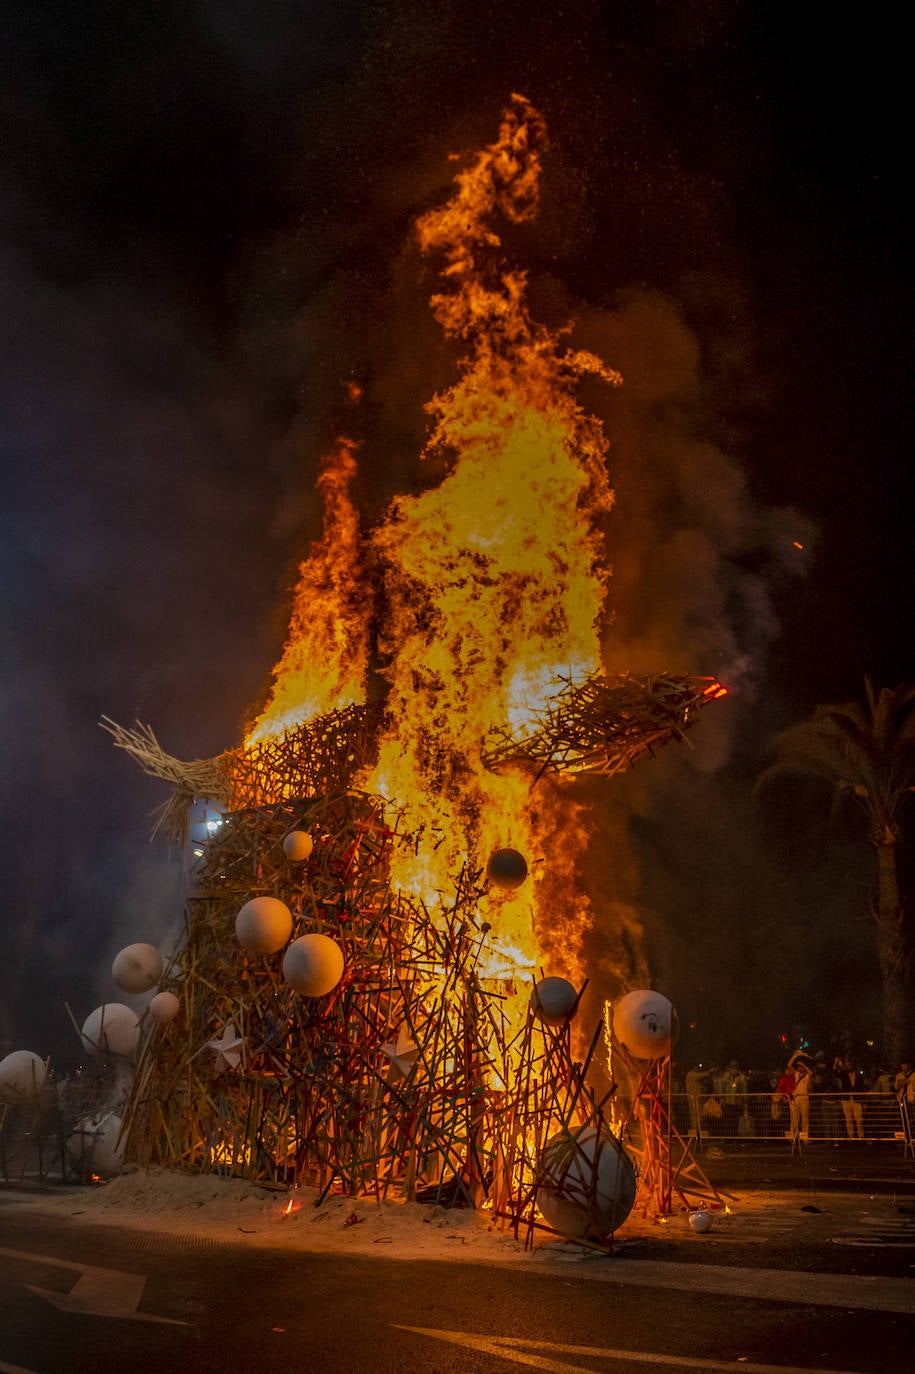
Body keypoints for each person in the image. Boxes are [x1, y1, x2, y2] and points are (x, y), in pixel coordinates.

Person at [835, 1055, 865, 1140]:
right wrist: (836, 1063)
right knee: (848, 1119)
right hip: (846, 1098)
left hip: (857, 1098)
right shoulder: (844, 1074)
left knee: (859, 1119)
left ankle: (861, 1136)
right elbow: (836, 1073)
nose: (848, 1065)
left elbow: (861, 1087)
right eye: (847, 1064)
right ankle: (851, 1136)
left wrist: (863, 1100)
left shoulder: (858, 1075)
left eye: (849, 1064)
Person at [787, 1050, 812, 1139]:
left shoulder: (807, 1075)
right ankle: (793, 1138)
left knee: (805, 1119)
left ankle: (804, 1139)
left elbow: (811, 1073)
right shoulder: (796, 1074)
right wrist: (795, 1056)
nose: (800, 1068)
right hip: (796, 1098)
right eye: (799, 1067)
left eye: (801, 1067)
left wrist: (803, 1065)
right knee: (795, 1119)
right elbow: (789, 1065)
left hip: (804, 1098)